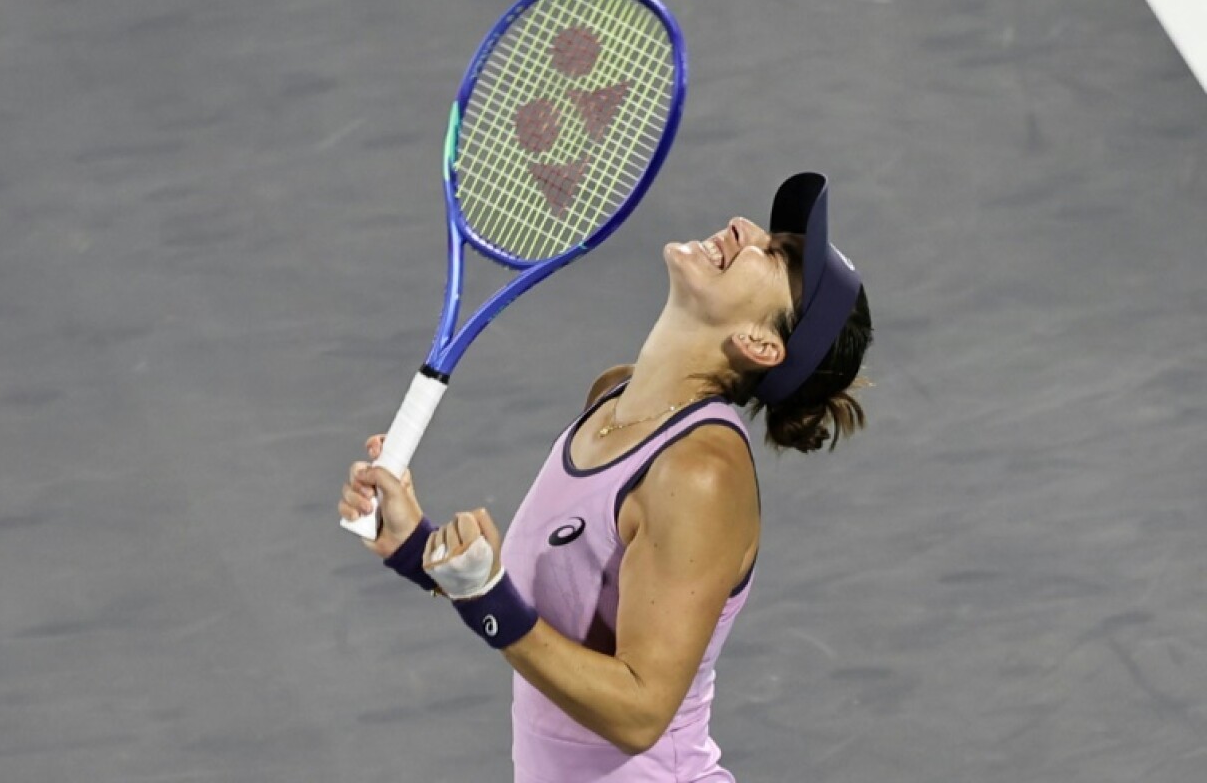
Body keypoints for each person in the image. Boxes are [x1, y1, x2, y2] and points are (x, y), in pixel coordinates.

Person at [337, 172, 874, 782]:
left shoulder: (701, 472)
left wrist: (482, 598)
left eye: (775, 255)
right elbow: (549, 611)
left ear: (760, 343)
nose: (743, 229)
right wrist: (418, 550)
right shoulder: (610, 399)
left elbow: (640, 712)